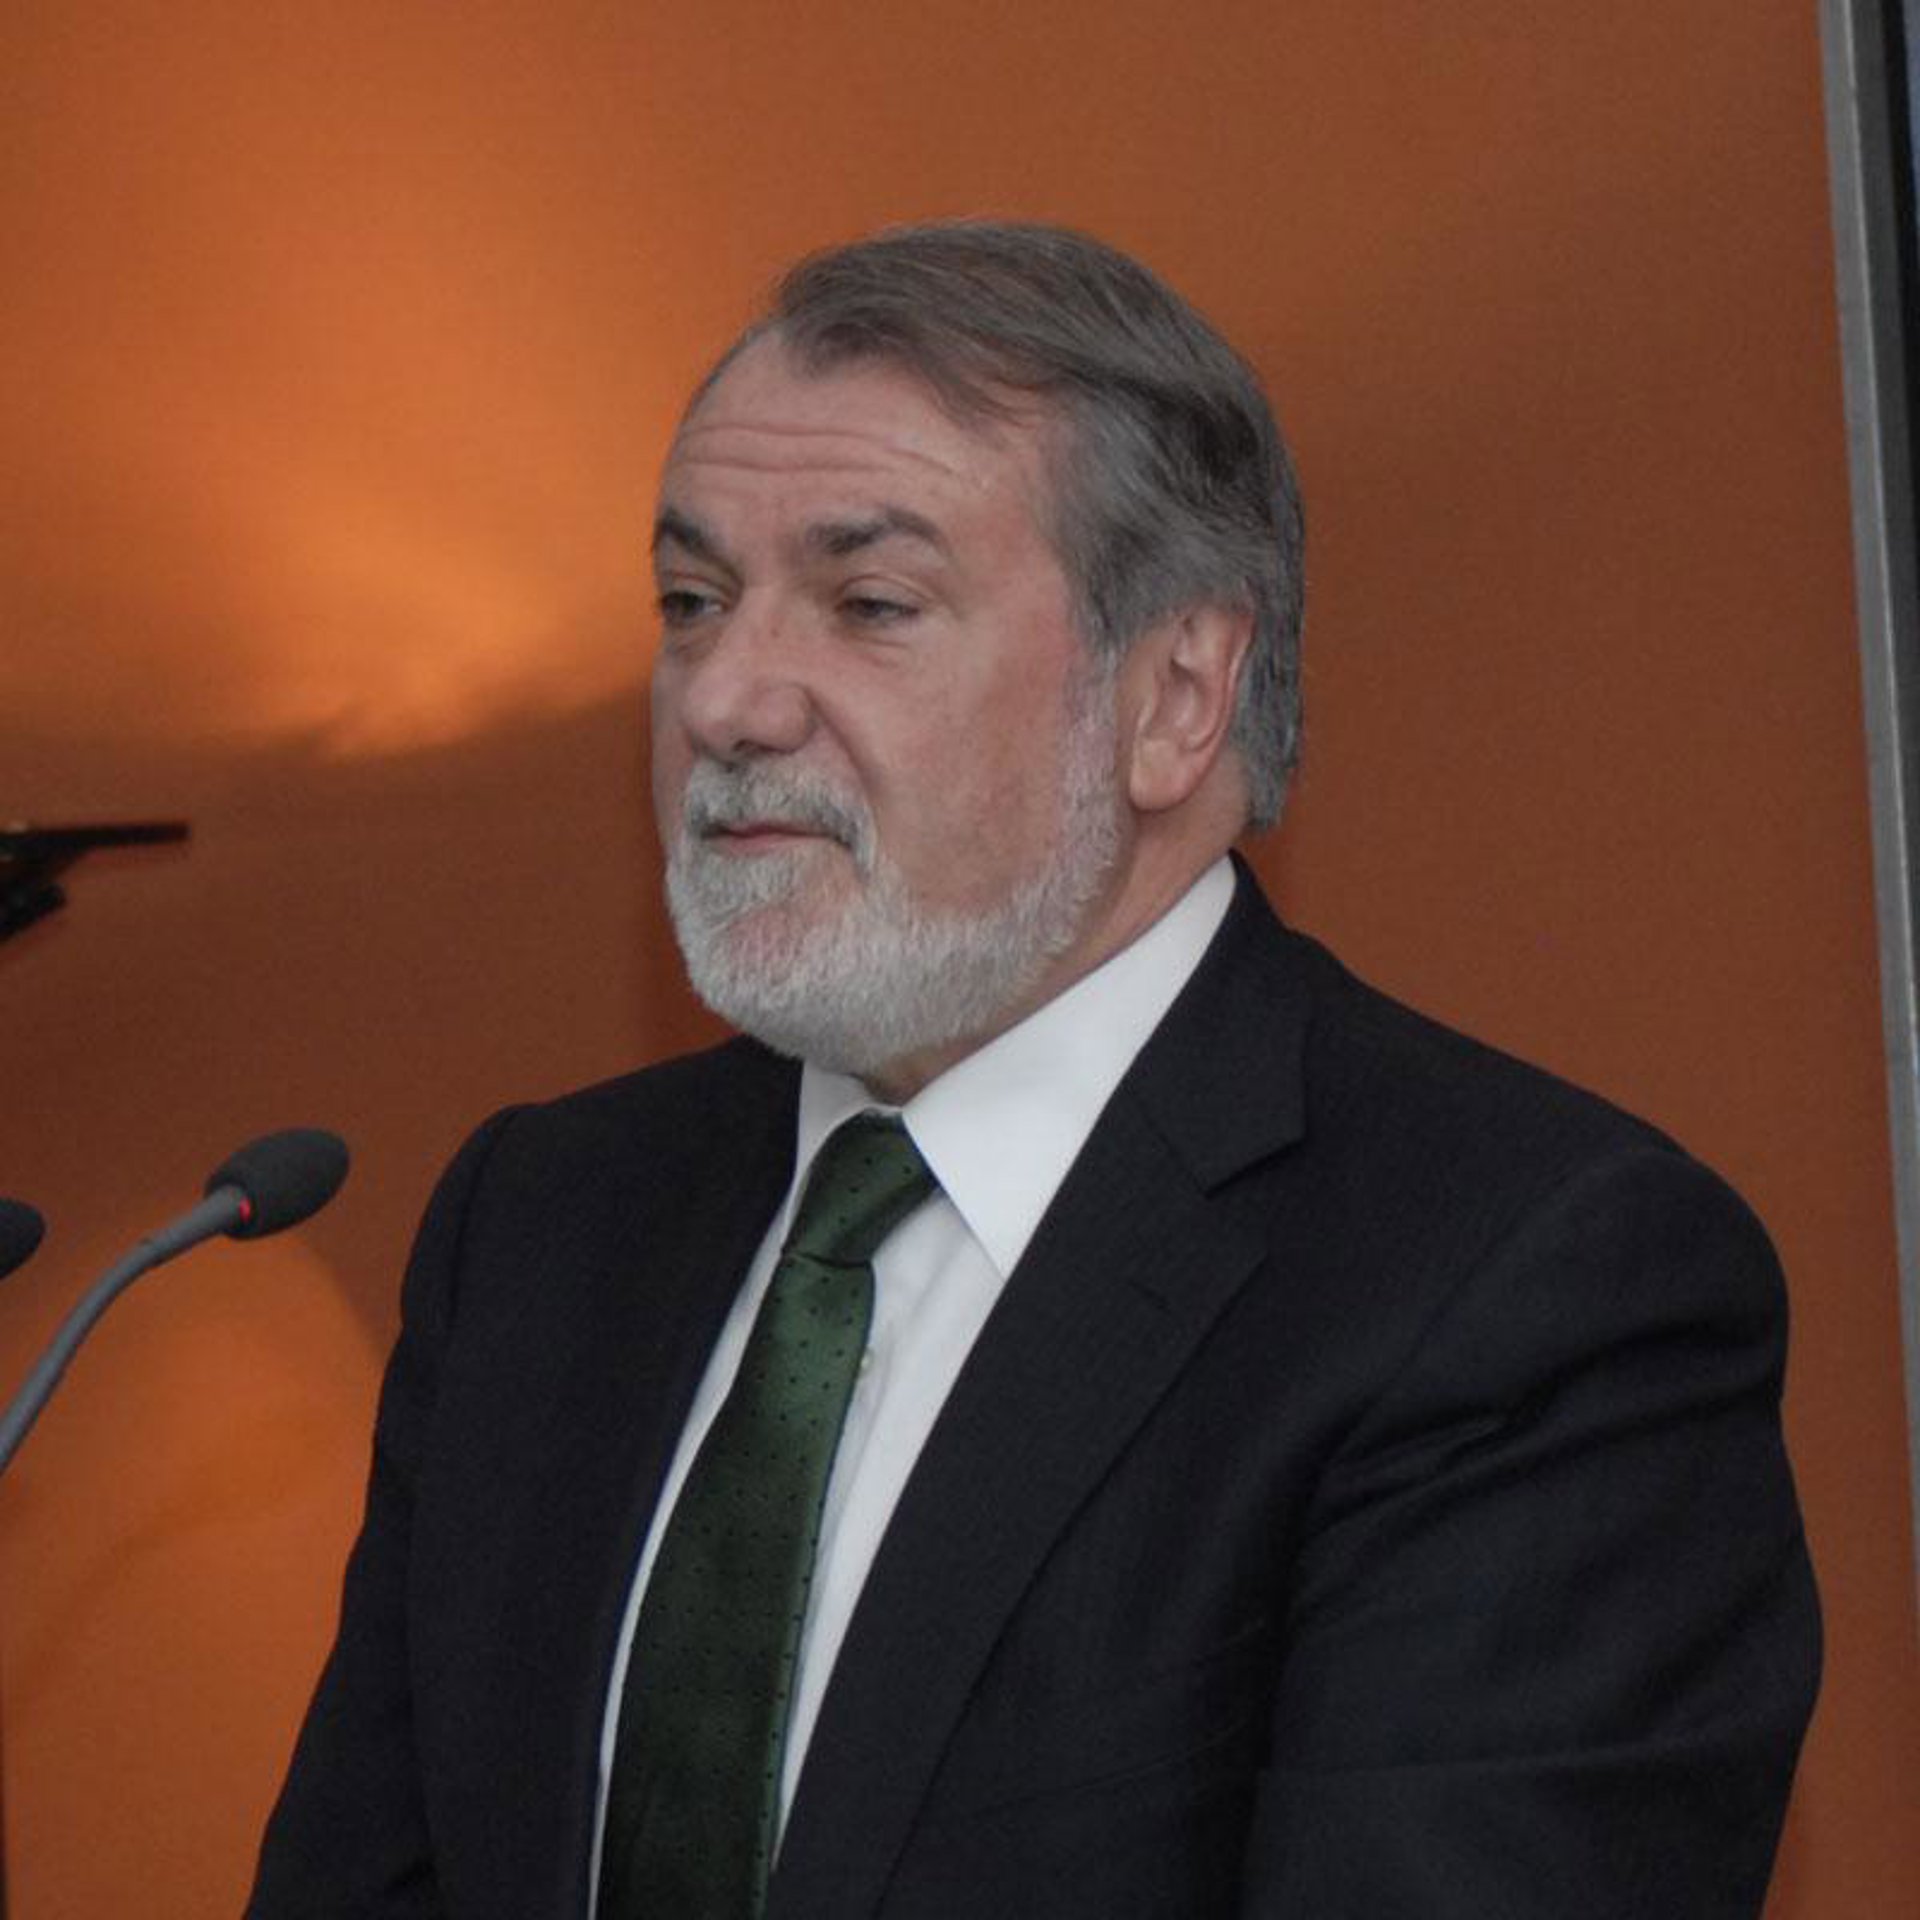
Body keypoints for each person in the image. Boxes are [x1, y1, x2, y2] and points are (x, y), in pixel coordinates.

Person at [248, 222, 1819, 1919]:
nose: (728, 701)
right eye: (694, 603)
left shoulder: (1527, 1289)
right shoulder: (543, 1222)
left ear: (1176, 699)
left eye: (870, 604)